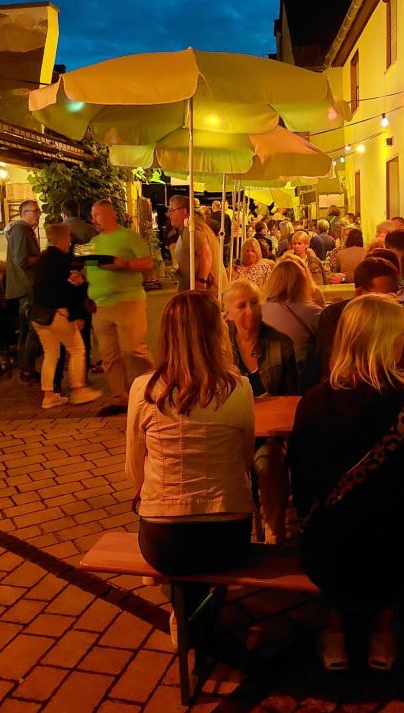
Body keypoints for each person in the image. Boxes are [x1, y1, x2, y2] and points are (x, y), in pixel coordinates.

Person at [287, 294, 404, 671]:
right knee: (400, 530)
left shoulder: (313, 403)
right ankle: (383, 630)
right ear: (387, 342)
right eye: (400, 334)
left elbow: (301, 488)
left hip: (329, 560)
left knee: (337, 526)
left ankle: (334, 631)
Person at [126, 291, 254, 646]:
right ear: (216, 332)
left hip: (164, 539)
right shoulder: (238, 387)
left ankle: (183, 609)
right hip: (228, 536)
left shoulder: (144, 389)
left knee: (172, 550)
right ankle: (195, 611)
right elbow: (244, 461)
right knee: (203, 555)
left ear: (166, 334)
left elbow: (134, 468)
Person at [224, 280, 297, 544]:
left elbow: (292, 399)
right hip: (231, 433)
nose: (250, 311)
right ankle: (230, 532)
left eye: (254, 303)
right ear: (228, 313)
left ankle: (274, 532)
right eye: (241, 306)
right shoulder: (220, 348)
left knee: (267, 464)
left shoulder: (280, 343)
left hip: (269, 435)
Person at [317, 256, 404, 393]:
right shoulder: (334, 317)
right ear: (359, 293)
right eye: (384, 297)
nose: (394, 300)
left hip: (402, 395)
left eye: (396, 292)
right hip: (347, 393)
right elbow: (329, 371)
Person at [86, 199, 153, 418]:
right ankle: (119, 397)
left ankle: (149, 393)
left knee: (133, 350)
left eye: (97, 215)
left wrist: (125, 264)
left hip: (128, 301)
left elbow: (148, 263)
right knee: (109, 355)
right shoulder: (93, 241)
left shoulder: (129, 237)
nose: (94, 219)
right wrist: (80, 276)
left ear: (110, 215)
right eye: (92, 215)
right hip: (100, 305)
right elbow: (87, 266)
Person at [31, 224, 102, 410]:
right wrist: (77, 315)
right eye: (68, 237)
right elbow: (69, 289)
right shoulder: (63, 261)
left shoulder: (43, 259)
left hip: (39, 314)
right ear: (63, 238)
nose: (70, 241)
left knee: (51, 354)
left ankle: (48, 396)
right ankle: (78, 389)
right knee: (77, 349)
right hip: (58, 313)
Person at [262, 257, 323, 391]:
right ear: (302, 282)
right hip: (303, 382)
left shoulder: (259, 311)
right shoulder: (313, 313)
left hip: (267, 380)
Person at [4, 199, 43, 383]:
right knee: (35, 328)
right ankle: (27, 368)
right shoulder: (21, 231)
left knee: (27, 330)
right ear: (24, 213)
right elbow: (22, 260)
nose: (38, 214)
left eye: (38, 211)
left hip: (24, 287)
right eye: (35, 211)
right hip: (26, 286)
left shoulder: (24, 231)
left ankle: (26, 368)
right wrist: (41, 257)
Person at [168, 194, 226, 294]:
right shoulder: (188, 227)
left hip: (207, 291)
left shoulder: (193, 229)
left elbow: (205, 254)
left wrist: (201, 280)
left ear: (184, 211)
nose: (169, 215)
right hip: (201, 290)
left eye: (172, 210)